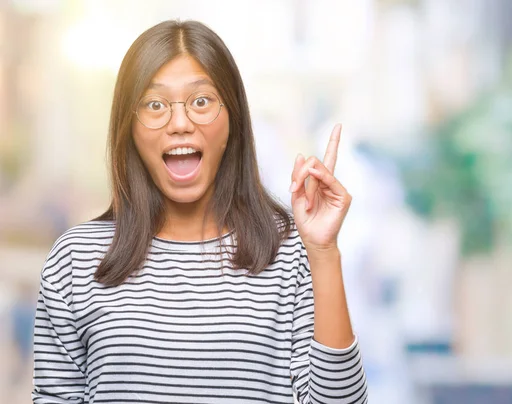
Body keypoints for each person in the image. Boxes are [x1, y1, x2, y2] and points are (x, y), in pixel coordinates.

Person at [32, 20, 367, 403]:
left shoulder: (291, 251)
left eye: (202, 101)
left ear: (233, 120)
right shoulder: (75, 259)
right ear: (129, 126)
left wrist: (323, 251)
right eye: (155, 105)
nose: (180, 124)